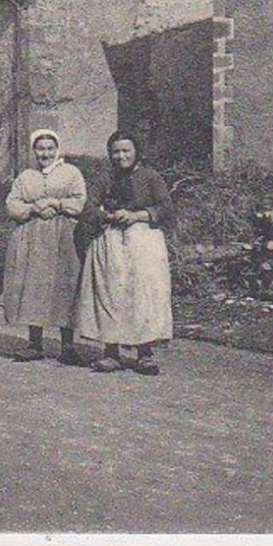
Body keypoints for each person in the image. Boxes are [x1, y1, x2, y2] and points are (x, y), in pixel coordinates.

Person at [75, 130, 174, 376]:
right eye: (116, 151)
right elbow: (86, 207)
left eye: (126, 151)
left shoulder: (150, 177)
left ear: (136, 152)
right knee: (110, 293)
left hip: (143, 240)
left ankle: (145, 354)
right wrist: (106, 216)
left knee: (143, 292)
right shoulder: (105, 178)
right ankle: (111, 352)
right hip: (110, 240)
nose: (121, 156)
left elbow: (165, 207)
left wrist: (137, 215)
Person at [2, 130, 88, 364]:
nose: (46, 153)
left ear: (57, 149)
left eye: (50, 148)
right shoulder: (25, 177)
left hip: (65, 238)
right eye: (41, 149)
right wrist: (33, 208)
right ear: (34, 151)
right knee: (34, 286)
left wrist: (57, 203)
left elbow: (80, 202)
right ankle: (35, 343)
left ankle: (67, 346)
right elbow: (12, 205)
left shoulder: (71, 173)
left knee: (65, 286)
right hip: (34, 240)